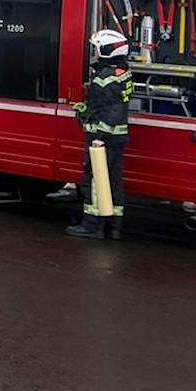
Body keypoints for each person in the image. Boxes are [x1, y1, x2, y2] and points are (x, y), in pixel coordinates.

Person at [68, 28, 133, 240]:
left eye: (97, 49)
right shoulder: (122, 73)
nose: (95, 54)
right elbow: (109, 106)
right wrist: (85, 109)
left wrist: (99, 136)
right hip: (118, 137)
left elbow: (111, 110)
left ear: (107, 51)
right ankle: (114, 226)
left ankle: (92, 225)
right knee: (113, 180)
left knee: (94, 180)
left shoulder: (105, 78)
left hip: (103, 138)